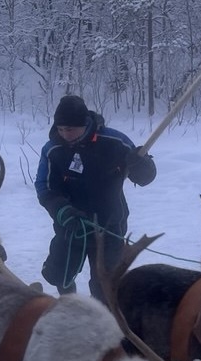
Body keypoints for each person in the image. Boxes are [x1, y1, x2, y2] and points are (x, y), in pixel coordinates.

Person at [34, 95, 156, 301]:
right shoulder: (52, 149)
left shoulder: (115, 142)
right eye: (61, 129)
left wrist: (142, 165)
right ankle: (68, 305)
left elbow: (144, 178)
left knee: (106, 286)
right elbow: (44, 187)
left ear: (85, 124)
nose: (65, 134)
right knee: (58, 274)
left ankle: (106, 321)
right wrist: (62, 211)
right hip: (72, 224)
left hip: (110, 226)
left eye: (70, 129)